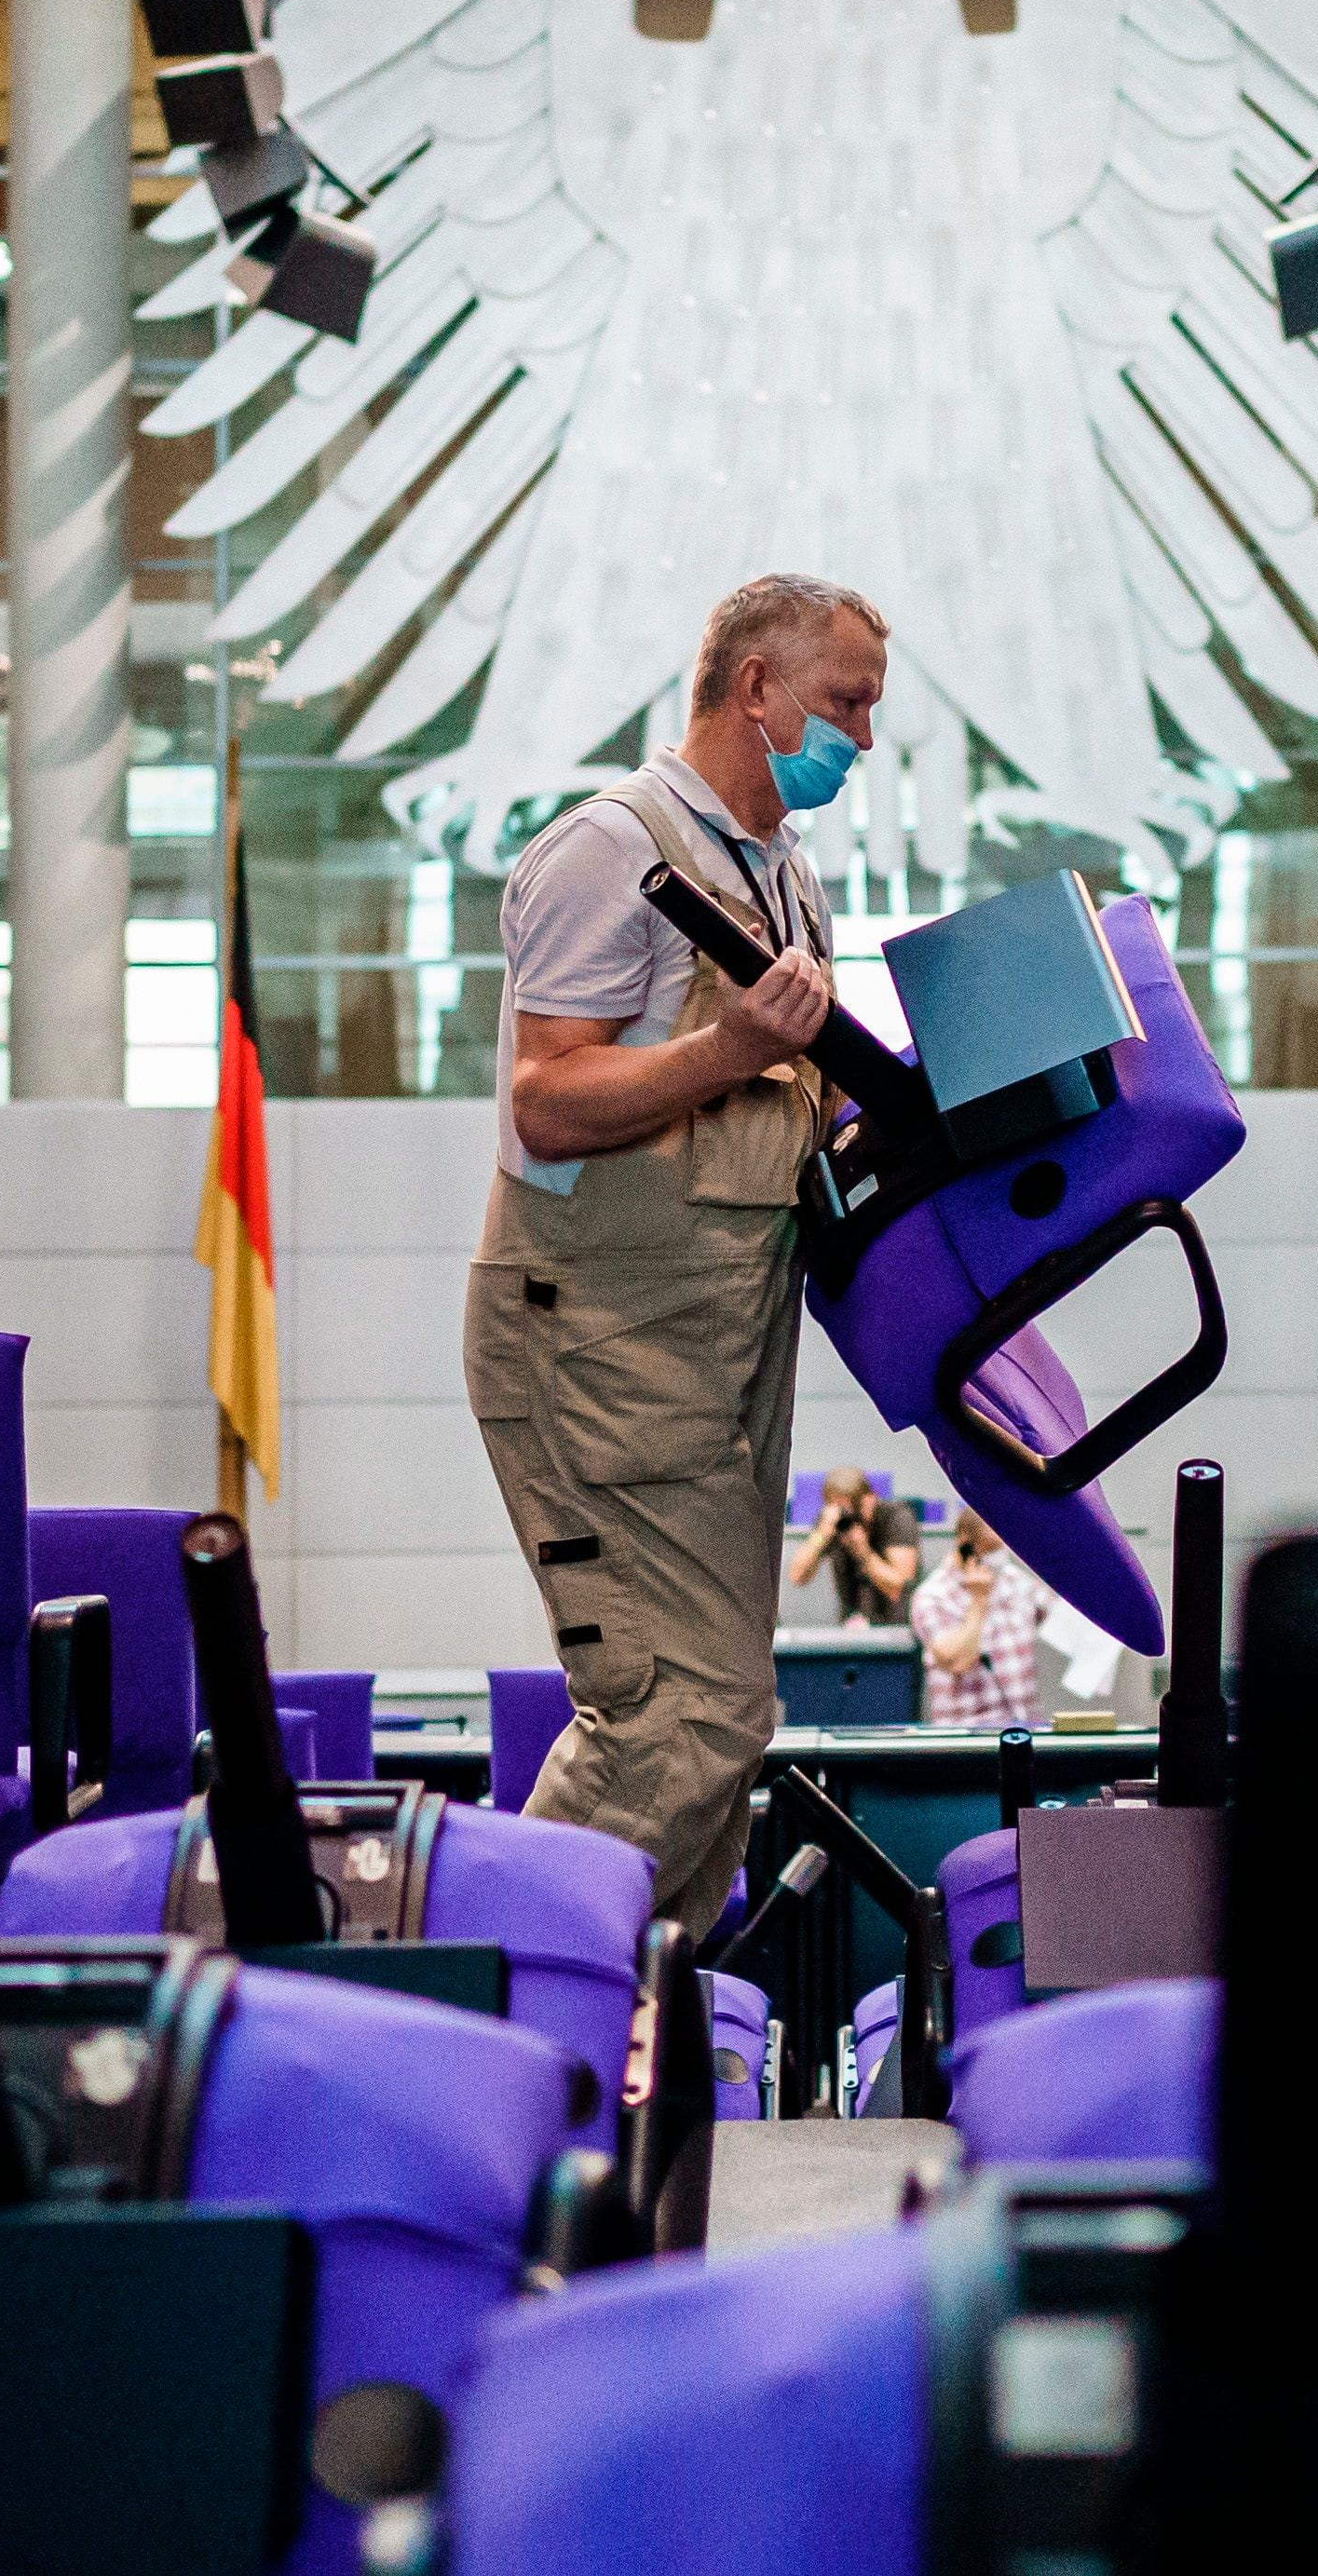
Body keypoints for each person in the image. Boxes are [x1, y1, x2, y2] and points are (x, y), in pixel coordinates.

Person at [463, 572, 889, 1934]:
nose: (860, 743)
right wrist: (731, 1049)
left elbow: (781, 1094)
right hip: (596, 1335)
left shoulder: (782, 873)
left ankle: (640, 2055)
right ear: (753, 686)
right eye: (844, 705)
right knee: (673, 1716)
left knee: (723, 1729)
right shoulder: (610, 847)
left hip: (712, 1344)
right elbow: (545, 1095)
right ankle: (490, 2012)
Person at [909, 1512, 1049, 1733]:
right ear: (966, 1545)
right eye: (991, 1549)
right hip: (966, 1739)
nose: (999, 1555)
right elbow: (957, 1661)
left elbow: (1058, 1616)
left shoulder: (1016, 1581)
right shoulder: (932, 1596)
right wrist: (979, 1600)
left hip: (1026, 1730)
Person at [786, 1465, 921, 1626]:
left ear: (871, 1498)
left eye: (855, 1507)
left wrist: (864, 1553)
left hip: (899, 1627)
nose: (850, 1516)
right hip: (853, 1627)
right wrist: (821, 1535)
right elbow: (797, 1576)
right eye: (842, 1509)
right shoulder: (832, 1524)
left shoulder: (896, 1518)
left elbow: (900, 1588)